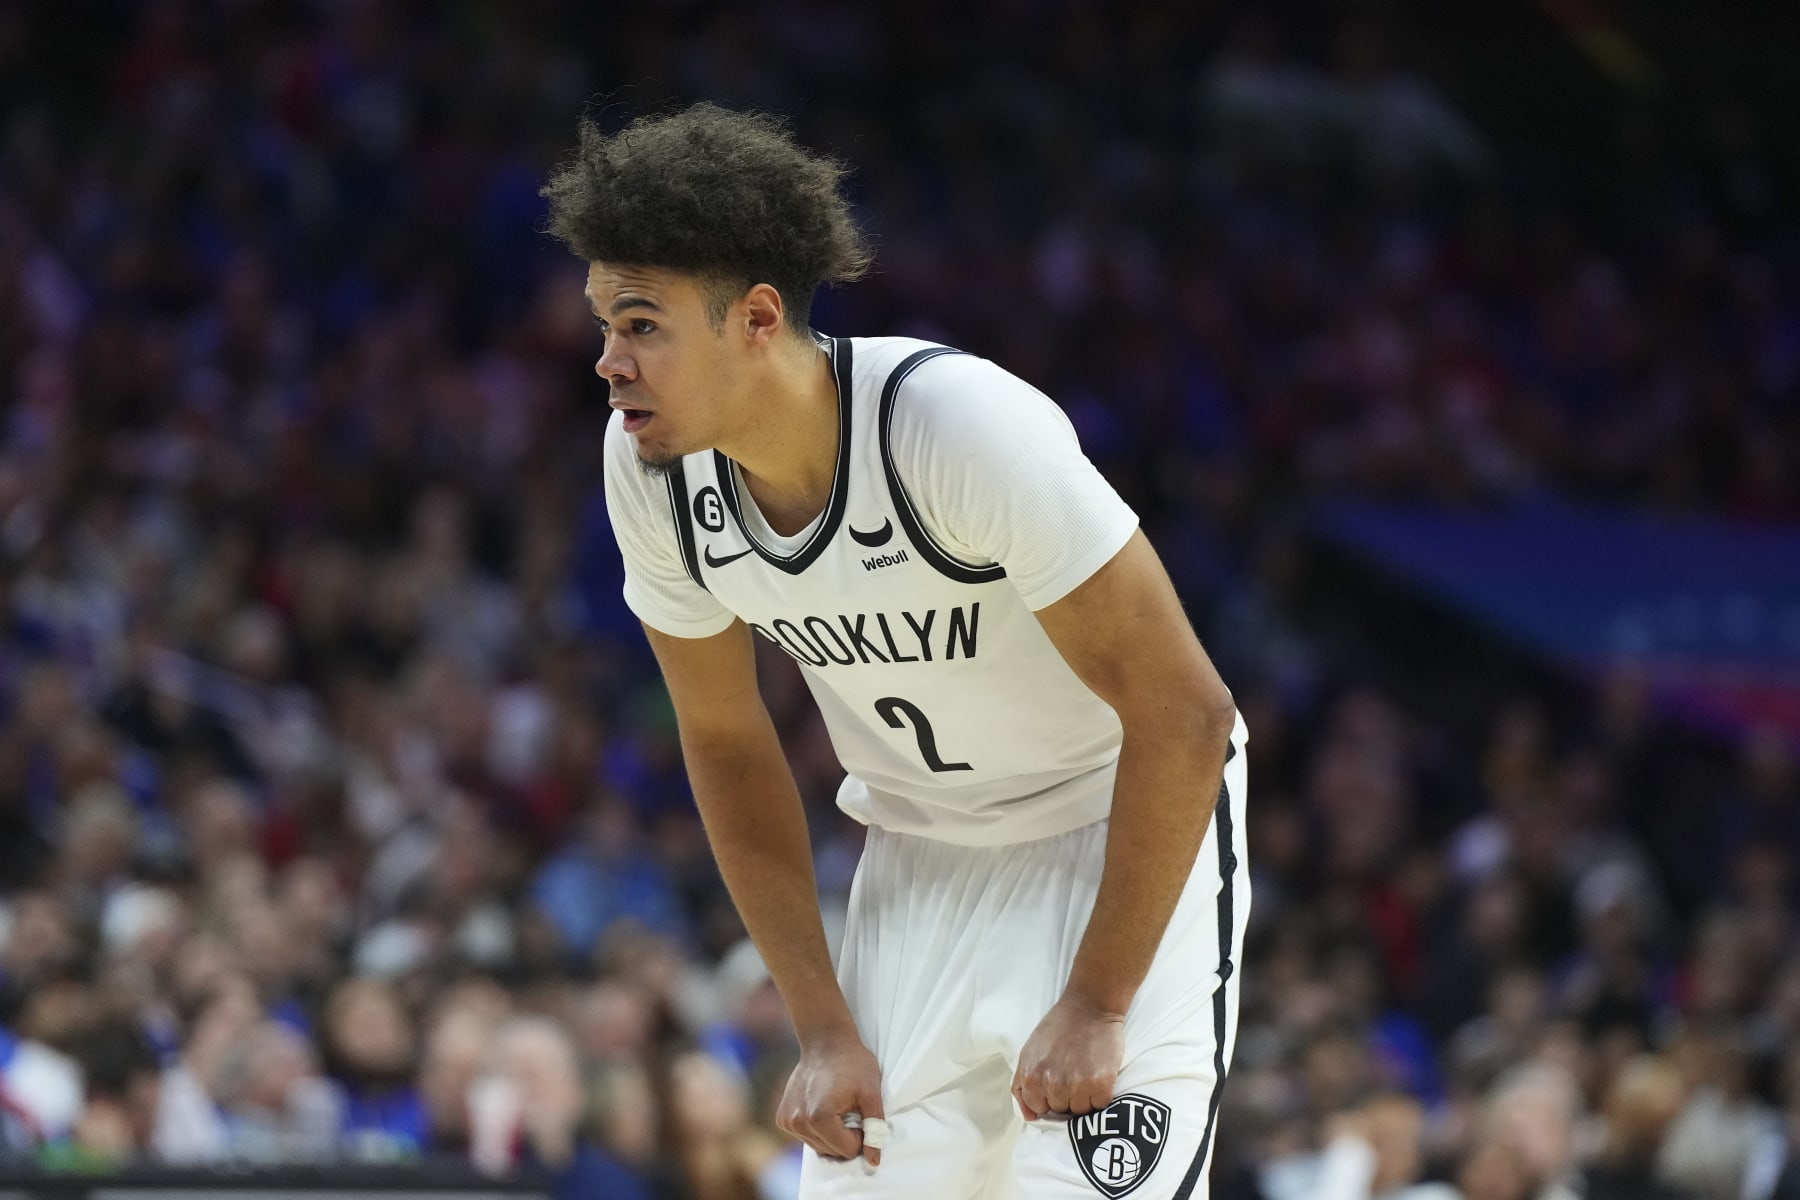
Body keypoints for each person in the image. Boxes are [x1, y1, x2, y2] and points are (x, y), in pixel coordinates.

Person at [542, 102, 1249, 1198]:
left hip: (1112, 828)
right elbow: (728, 744)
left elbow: (1187, 713)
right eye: (603, 325)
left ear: (758, 317)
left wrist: (1102, 1000)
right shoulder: (651, 475)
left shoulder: (954, 428)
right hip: (917, 860)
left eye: (641, 325)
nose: (608, 363)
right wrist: (821, 1027)